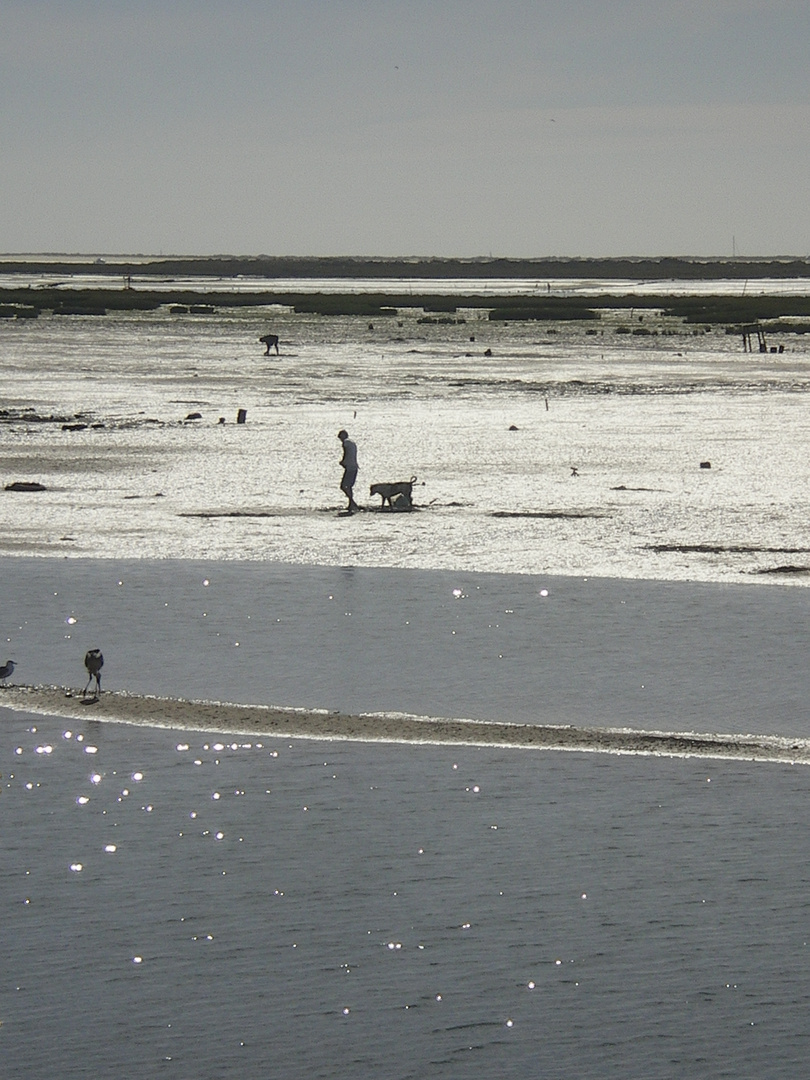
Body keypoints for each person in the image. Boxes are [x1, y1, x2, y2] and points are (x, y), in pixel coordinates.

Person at [337, 429, 359, 513]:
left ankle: (352, 503)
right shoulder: (352, 443)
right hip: (354, 467)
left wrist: (343, 461)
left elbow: (346, 453)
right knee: (348, 486)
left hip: (349, 467)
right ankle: (351, 504)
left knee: (343, 486)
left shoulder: (345, 443)